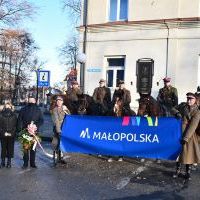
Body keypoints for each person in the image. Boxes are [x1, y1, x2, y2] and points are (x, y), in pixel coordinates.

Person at [171, 92, 200, 180]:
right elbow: (172, 108)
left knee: (189, 154)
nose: (189, 100)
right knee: (179, 153)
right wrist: (176, 113)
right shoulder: (183, 106)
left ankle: (188, 172)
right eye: (188, 98)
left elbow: (193, 126)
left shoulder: (197, 111)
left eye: (191, 99)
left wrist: (186, 138)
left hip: (189, 135)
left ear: (195, 100)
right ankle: (177, 170)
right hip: (179, 132)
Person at [17, 95, 44, 169]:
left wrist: (36, 126)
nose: (31, 101)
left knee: (33, 148)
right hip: (25, 131)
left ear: (35, 101)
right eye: (30, 100)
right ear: (28, 101)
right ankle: (25, 163)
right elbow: (19, 120)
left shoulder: (38, 110)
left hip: (34, 132)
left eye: (32, 100)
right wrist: (19, 130)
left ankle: (32, 163)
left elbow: (41, 120)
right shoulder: (23, 109)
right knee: (25, 148)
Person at [51, 95, 70, 163]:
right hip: (57, 128)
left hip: (64, 128)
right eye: (57, 101)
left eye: (60, 101)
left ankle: (61, 157)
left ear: (62, 102)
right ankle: (56, 156)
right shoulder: (54, 109)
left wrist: (66, 110)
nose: (59, 102)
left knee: (62, 143)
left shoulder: (65, 108)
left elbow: (70, 117)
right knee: (56, 143)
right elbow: (56, 121)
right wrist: (59, 131)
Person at [0, 102, 17, 168]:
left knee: (3, 148)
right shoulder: (14, 115)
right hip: (11, 135)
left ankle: (2, 162)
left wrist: (3, 132)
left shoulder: (1, 114)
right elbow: (16, 126)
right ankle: (9, 163)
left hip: (2, 134)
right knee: (10, 148)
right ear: (10, 107)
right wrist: (12, 133)